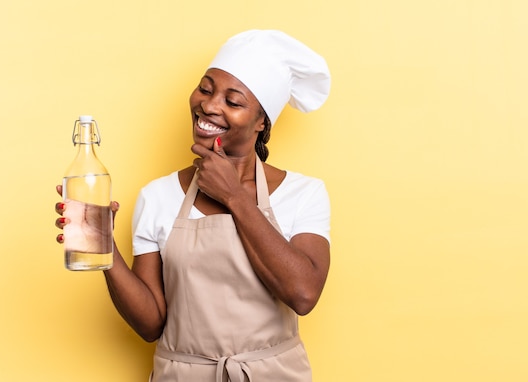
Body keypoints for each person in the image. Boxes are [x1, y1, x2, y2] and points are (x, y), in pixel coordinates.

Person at [55, 29, 331, 382]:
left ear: (262, 122)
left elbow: (303, 294)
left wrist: (233, 196)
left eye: (233, 102)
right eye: (205, 88)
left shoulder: (303, 193)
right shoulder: (157, 196)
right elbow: (151, 323)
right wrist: (102, 247)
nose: (210, 105)